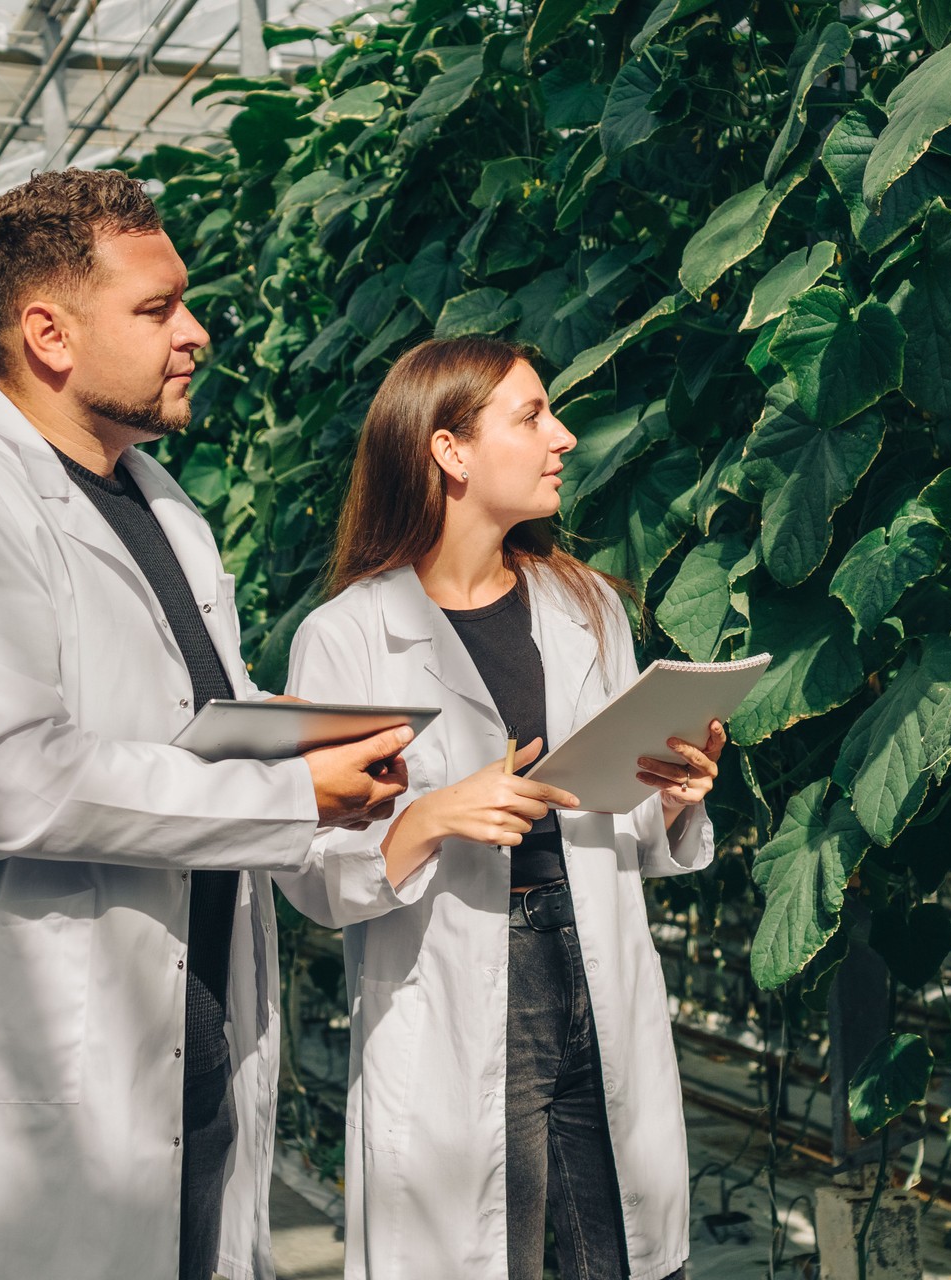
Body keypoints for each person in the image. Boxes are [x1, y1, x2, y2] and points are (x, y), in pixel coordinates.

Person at [0, 168, 411, 1280]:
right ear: (49, 332)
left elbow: (192, 717)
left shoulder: (163, 507)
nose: (194, 332)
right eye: (157, 309)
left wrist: (316, 730)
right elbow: (20, 781)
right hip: (51, 1048)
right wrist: (295, 795)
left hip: (191, 1017)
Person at [280, 337, 727, 1280]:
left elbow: (626, 830)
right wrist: (432, 818)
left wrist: (676, 799)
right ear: (451, 451)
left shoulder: (587, 607)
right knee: (487, 1255)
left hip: (591, 957)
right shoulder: (349, 637)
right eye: (531, 417)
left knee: (623, 1252)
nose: (561, 437)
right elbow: (313, 878)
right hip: (461, 981)